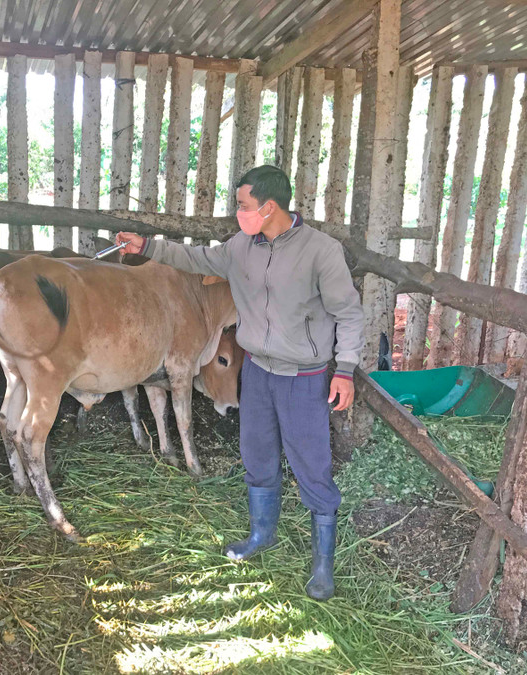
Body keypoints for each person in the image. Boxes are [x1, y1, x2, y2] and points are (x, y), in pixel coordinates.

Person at [116, 165, 364, 601]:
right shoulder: (241, 247)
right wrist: (148, 246)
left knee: (311, 466)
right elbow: (195, 259)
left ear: (268, 207)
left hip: (302, 377)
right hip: (259, 373)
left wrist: (345, 369)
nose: (238, 213)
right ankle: (260, 536)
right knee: (257, 454)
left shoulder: (321, 251)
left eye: (244, 206)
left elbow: (348, 313)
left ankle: (323, 565)